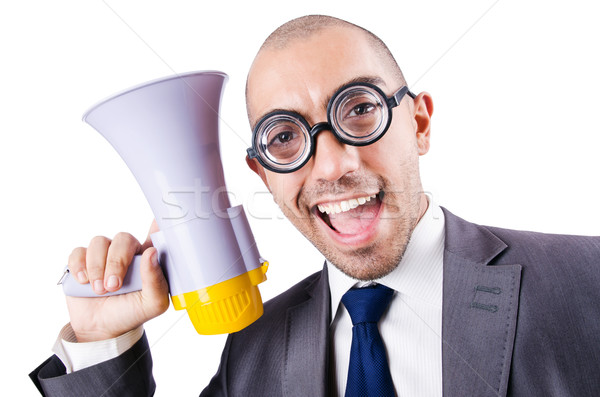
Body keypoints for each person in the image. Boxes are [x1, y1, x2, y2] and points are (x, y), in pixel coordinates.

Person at [30, 14, 600, 397]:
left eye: (359, 109)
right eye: (284, 138)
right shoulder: (251, 354)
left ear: (419, 122)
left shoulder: (586, 283)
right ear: (262, 173)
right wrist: (105, 339)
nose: (331, 166)